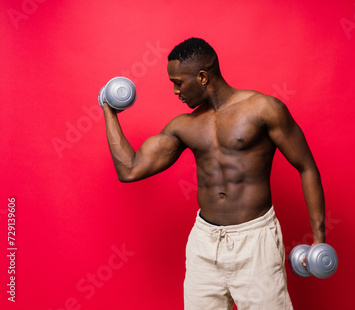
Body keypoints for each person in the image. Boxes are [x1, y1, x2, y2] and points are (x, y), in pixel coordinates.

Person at [102, 38, 326, 309]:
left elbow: (306, 167)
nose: (175, 91)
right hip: (204, 243)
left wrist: (318, 240)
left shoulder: (264, 109)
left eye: (178, 82)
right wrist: (109, 111)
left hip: (255, 240)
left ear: (202, 77)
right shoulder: (184, 126)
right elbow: (130, 169)